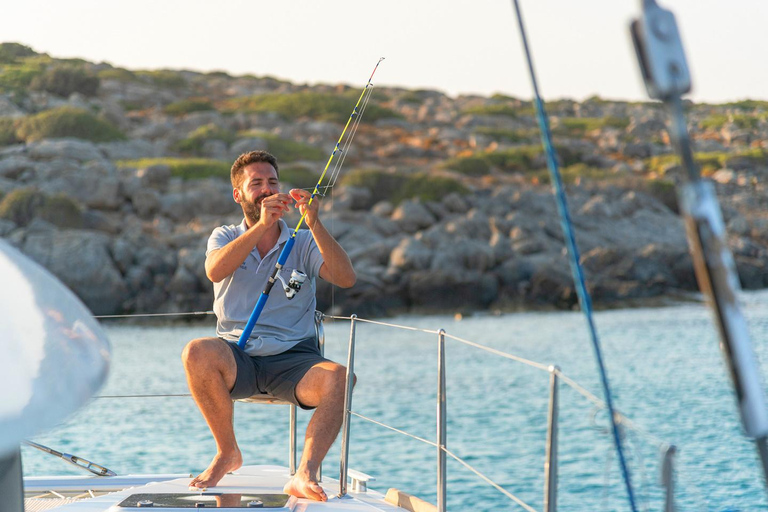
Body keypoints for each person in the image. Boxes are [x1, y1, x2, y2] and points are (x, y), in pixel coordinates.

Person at [181, 150, 356, 501]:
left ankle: (304, 473)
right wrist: (261, 226)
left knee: (339, 377)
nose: (266, 189)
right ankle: (227, 452)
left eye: (272, 182)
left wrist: (315, 222)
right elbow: (214, 270)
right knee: (196, 352)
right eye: (256, 183)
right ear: (239, 195)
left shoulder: (303, 241)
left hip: (295, 359)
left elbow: (345, 278)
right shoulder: (224, 234)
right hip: (238, 355)